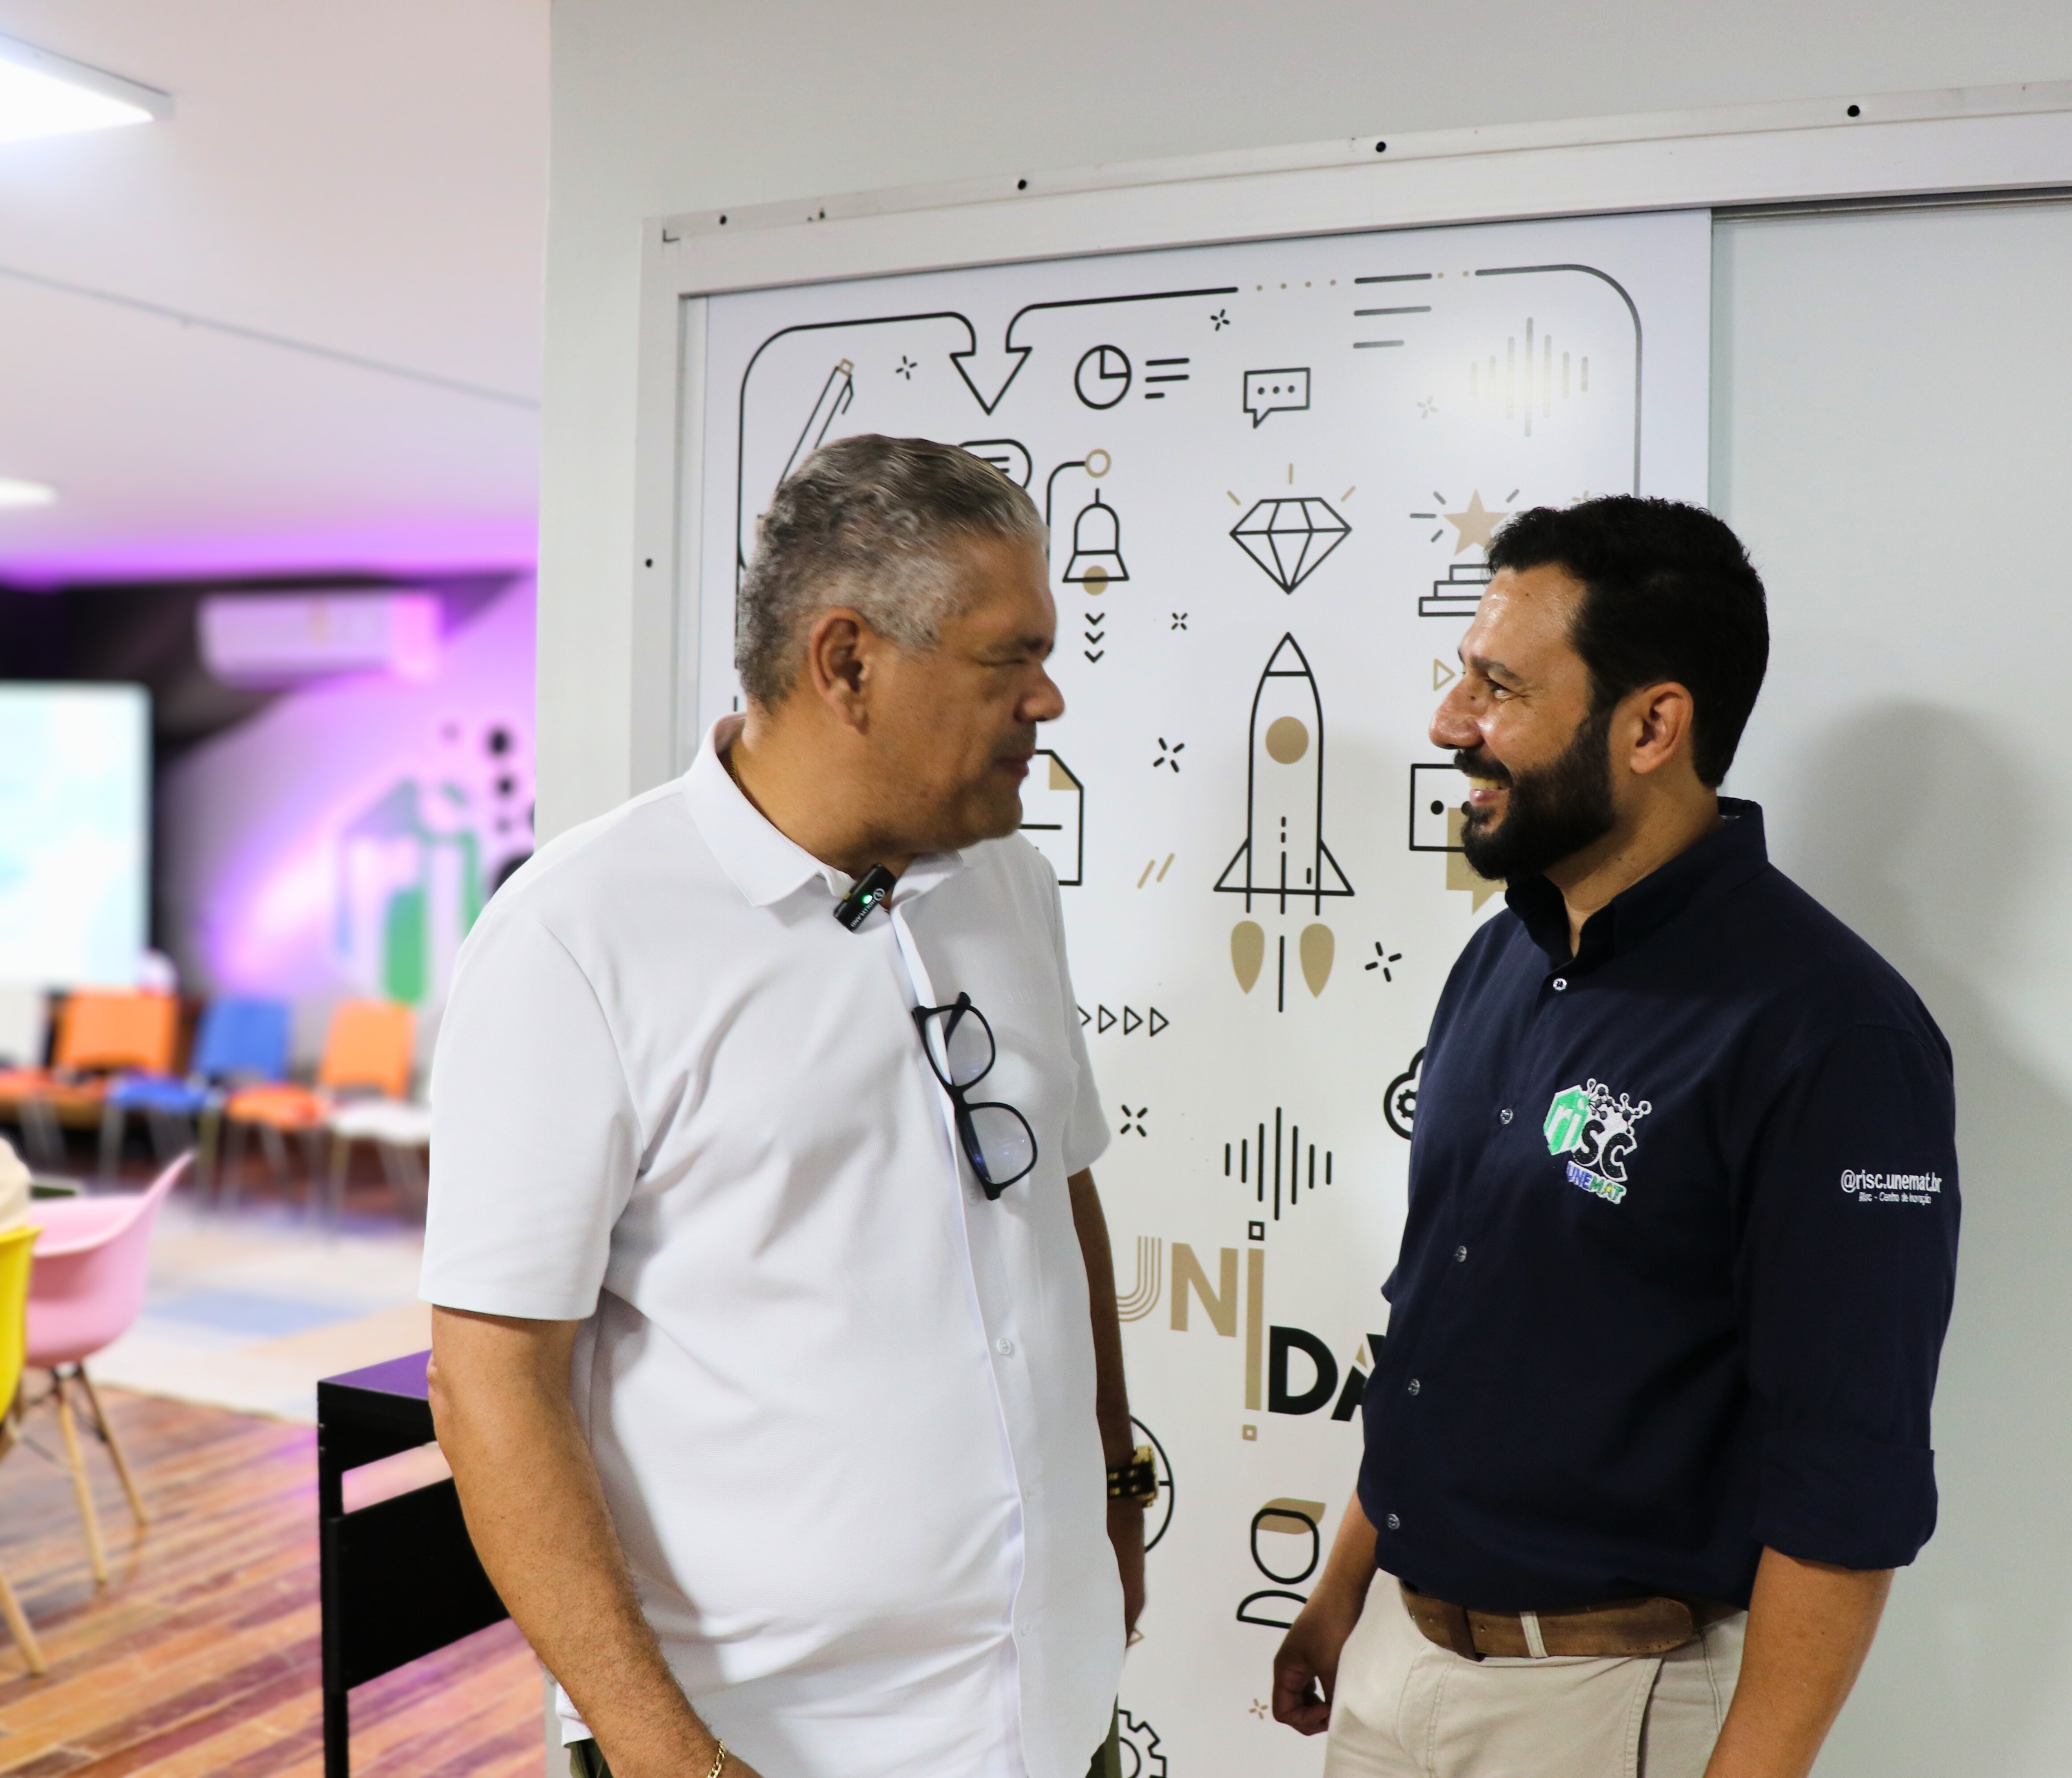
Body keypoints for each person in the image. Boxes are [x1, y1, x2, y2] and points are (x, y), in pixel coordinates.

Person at [422, 436, 1147, 1778]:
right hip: (761, 1748)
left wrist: (1115, 1483)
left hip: (1053, 1718)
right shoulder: (578, 934)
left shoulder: (1009, 886)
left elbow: (1057, 1190)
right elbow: (489, 1383)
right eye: (1009, 657)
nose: (1046, 698)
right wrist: (669, 1759)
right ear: (847, 661)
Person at [1271, 497, 1960, 1778]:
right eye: (1464, 675)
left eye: (1499, 687)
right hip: (1392, 1667)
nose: (1449, 722)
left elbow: (1846, 1479)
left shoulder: (1831, 1033)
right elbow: (1443, 1326)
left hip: (1607, 1707)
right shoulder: (1498, 964)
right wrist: (1345, 1585)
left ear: (1653, 727)